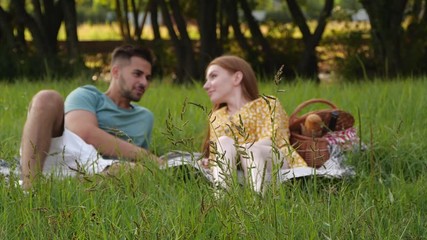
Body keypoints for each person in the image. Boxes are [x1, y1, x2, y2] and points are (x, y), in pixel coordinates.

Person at [20, 44, 161, 189]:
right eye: (137, 74)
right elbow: (83, 133)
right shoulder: (87, 95)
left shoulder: (145, 117)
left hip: (103, 169)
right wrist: (146, 155)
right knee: (47, 98)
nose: (144, 82)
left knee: (138, 172)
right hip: (64, 154)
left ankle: (57, 188)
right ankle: (30, 188)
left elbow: (138, 162)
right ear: (116, 72)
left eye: (148, 77)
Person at [201, 55, 307, 194]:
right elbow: (217, 155)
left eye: (213, 76)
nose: (206, 85)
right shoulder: (217, 116)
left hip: (273, 157)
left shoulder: (267, 104)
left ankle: (259, 206)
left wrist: (240, 149)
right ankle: (222, 203)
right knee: (224, 141)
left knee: (251, 150)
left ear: (236, 78)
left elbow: (271, 141)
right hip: (237, 159)